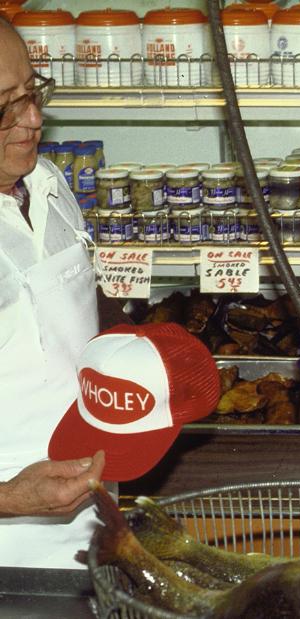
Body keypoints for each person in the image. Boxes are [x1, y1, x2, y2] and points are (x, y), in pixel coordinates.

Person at [0, 17, 107, 568]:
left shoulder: (49, 184)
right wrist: (10, 498)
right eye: (5, 108)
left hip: (88, 525)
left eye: (33, 93)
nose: (34, 121)